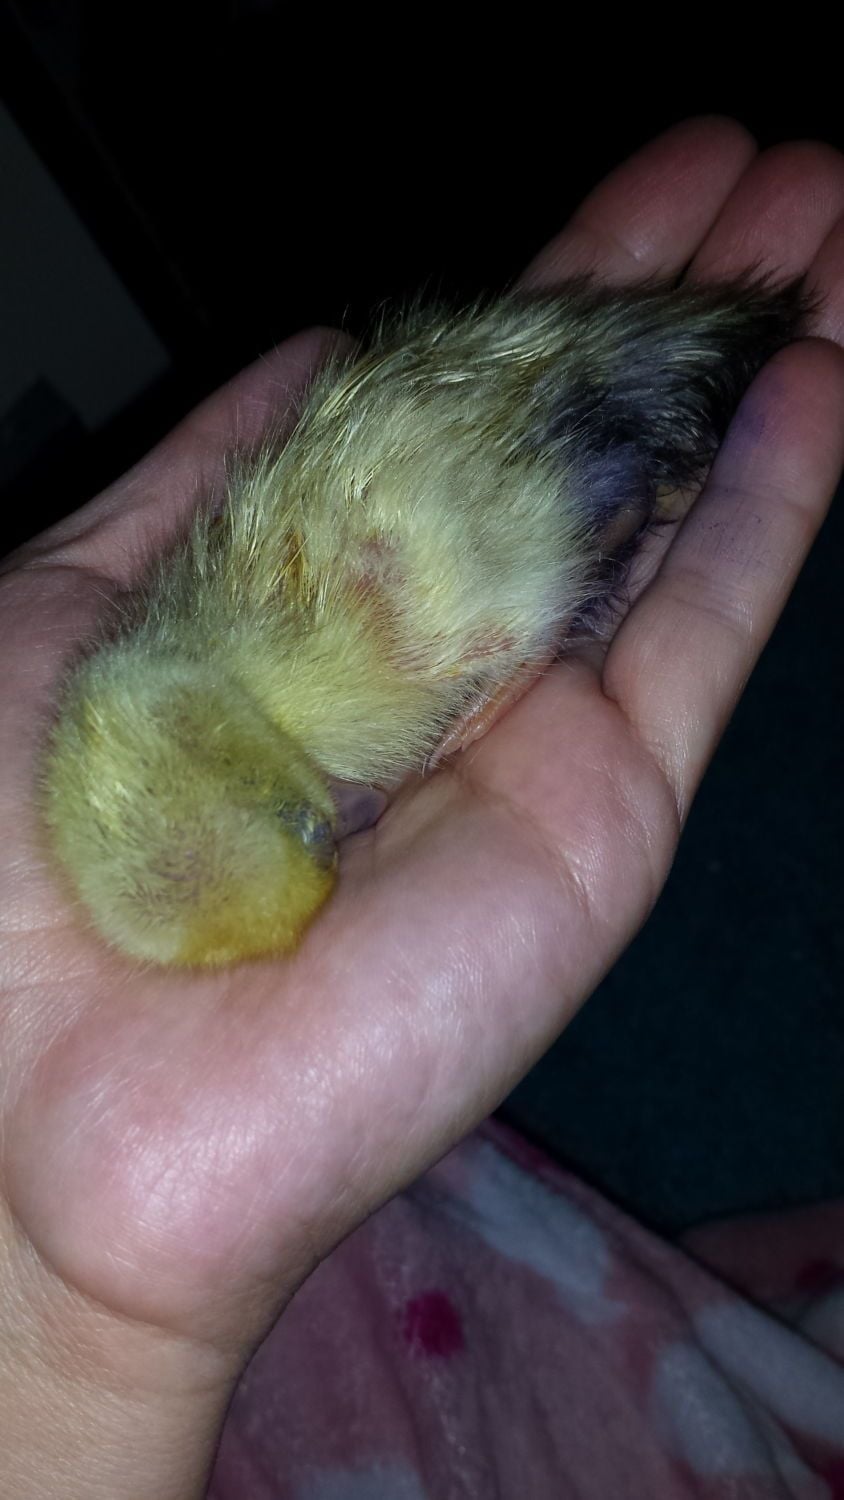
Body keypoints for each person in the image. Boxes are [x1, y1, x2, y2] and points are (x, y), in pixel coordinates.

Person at [0, 116, 842, 1499]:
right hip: (471, 462)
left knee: (596, 484)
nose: (335, 830)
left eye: (303, 831)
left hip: (490, 488)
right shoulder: (195, 685)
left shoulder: (331, 666)